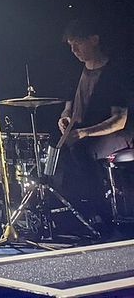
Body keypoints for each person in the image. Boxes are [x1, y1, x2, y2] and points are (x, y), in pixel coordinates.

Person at [57, 19, 133, 225]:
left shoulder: (115, 73)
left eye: (77, 44)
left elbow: (119, 120)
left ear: (94, 40)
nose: (74, 50)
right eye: (71, 46)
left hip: (118, 133)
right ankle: (69, 211)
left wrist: (85, 133)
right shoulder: (75, 72)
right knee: (55, 151)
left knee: (82, 150)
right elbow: (68, 107)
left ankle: (100, 212)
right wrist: (65, 118)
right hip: (83, 130)